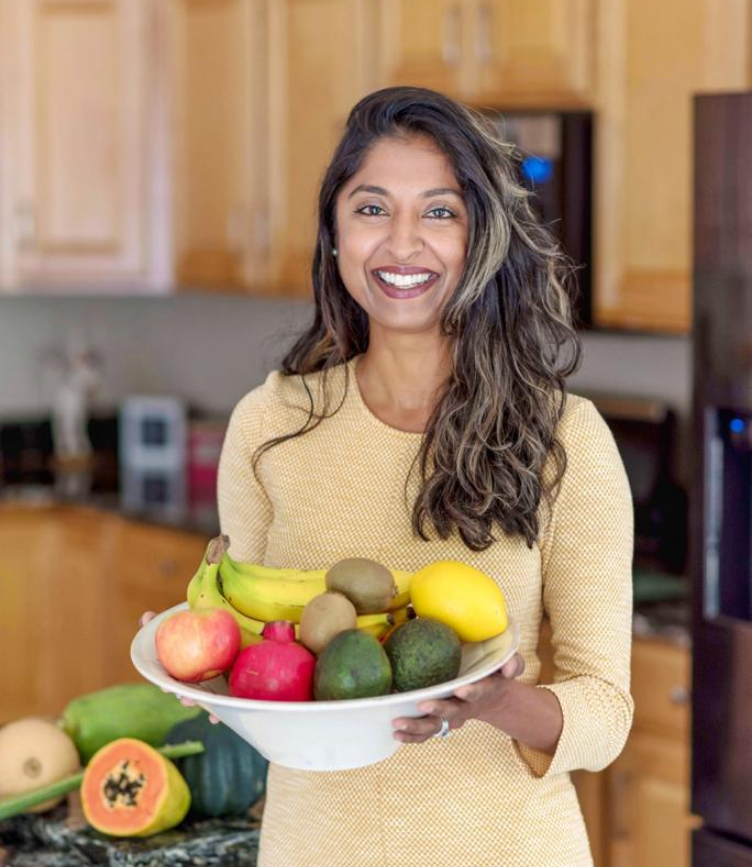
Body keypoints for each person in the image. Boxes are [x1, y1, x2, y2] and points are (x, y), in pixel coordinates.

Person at [189, 86, 634, 866]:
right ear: (333, 232)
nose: (402, 243)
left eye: (438, 211)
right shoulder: (271, 424)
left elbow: (605, 712)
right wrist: (199, 659)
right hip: (312, 848)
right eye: (371, 209)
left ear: (479, 237)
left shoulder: (565, 439)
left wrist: (496, 702)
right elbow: (251, 656)